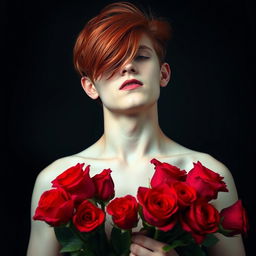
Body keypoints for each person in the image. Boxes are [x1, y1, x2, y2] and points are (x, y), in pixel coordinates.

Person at [27, 2, 246, 256]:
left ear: (163, 74)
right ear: (90, 87)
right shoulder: (55, 182)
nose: (128, 67)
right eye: (111, 60)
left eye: (141, 56)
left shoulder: (208, 176)